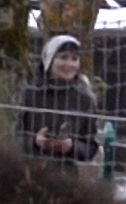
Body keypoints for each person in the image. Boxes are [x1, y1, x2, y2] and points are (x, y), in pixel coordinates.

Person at [17, 34, 101, 174]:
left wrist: (71, 146)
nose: (69, 64)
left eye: (74, 59)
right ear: (49, 60)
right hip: (28, 174)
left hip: (65, 179)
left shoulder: (85, 100)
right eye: (63, 57)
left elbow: (91, 148)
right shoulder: (29, 95)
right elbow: (11, 136)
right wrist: (35, 142)